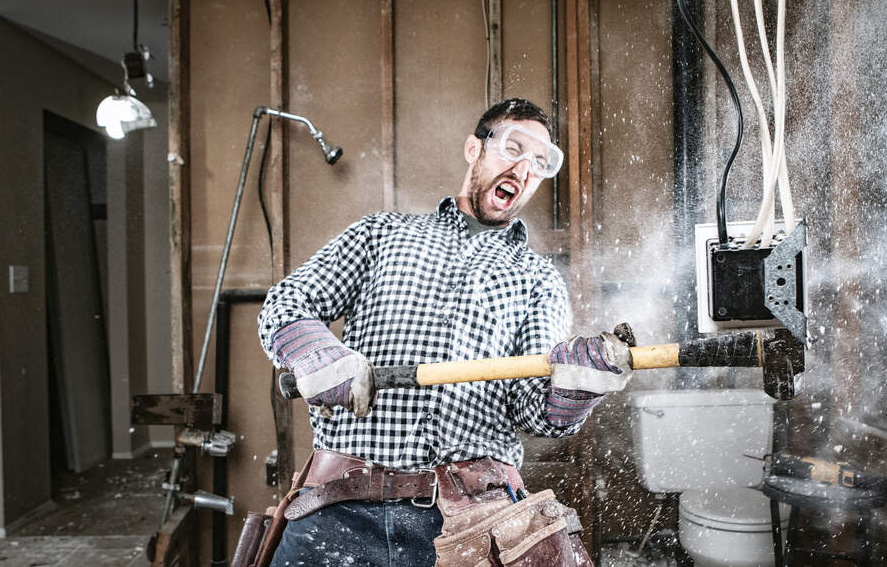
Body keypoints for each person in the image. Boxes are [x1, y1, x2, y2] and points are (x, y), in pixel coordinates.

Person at [257, 98, 634, 566]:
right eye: (513, 148)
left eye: (540, 162)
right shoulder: (380, 235)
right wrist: (317, 355)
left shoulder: (539, 280)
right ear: (474, 149)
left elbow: (536, 412)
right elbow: (288, 302)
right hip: (340, 506)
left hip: (471, 518)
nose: (524, 168)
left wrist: (577, 387)